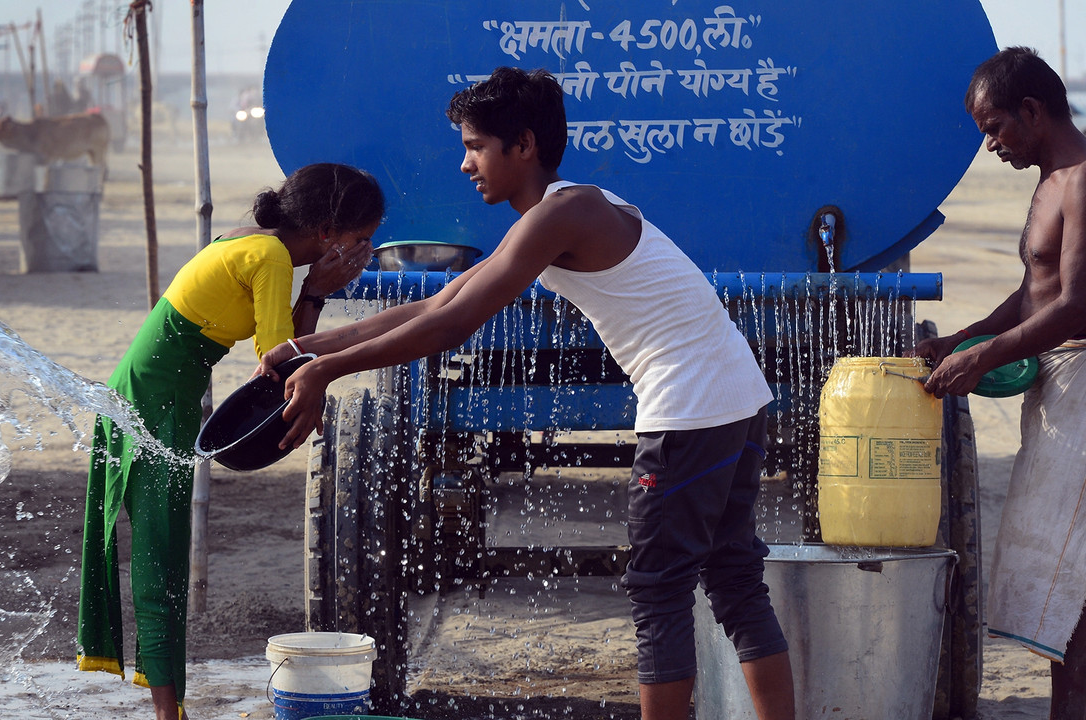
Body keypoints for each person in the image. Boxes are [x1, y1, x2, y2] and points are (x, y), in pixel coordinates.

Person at [257, 67, 795, 720]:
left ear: (524, 146)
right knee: (734, 581)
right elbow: (443, 300)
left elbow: (454, 326)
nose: (465, 165)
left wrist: (325, 372)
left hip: (691, 409)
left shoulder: (561, 215)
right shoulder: (564, 208)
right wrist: (309, 350)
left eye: (475, 147)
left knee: (660, 589)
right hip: (734, 397)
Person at [77, 163, 384, 720]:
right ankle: (168, 714)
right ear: (326, 232)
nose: (365, 252)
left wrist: (310, 290)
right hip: (156, 405)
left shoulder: (251, 239)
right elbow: (276, 361)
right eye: (359, 240)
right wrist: (316, 291)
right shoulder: (269, 258)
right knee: (162, 554)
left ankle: (169, 707)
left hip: (146, 392)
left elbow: (277, 352)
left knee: (159, 550)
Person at [913, 47, 1086, 719]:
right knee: (1081, 568)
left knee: (1069, 568)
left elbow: (1075, 306)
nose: (990, 144)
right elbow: (1030, 297)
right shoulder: (1050, 182)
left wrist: (985, 360)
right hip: (1066, 380)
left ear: (1034, 111)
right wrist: (959, 341)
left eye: (995, 127)